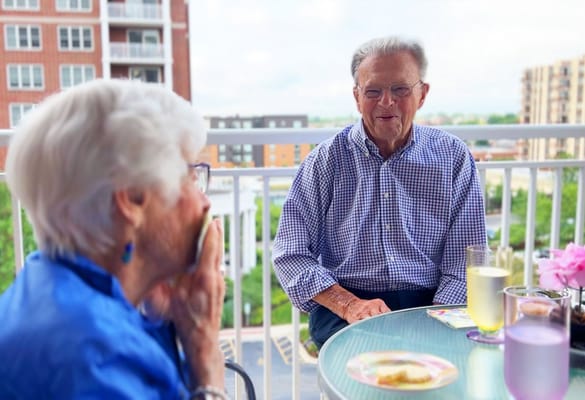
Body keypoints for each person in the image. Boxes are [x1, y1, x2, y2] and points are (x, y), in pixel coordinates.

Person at [0, 79, 228, 399]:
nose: (204, 202)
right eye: (190, 178)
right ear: (132, 199)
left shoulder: (46, 284)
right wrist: (206, 363)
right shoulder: (95, 357)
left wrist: (164, 324)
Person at [272, 36, 486, 349]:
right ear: (357, 97)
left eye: (400, 89)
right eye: (373, 91)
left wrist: (434, 325)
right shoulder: (325, 160)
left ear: (422, 94)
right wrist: (348, 304)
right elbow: (290, 255)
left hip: (429, 302)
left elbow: (467, 262)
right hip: (346, 304)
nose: (387, 102)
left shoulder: (452, 157)